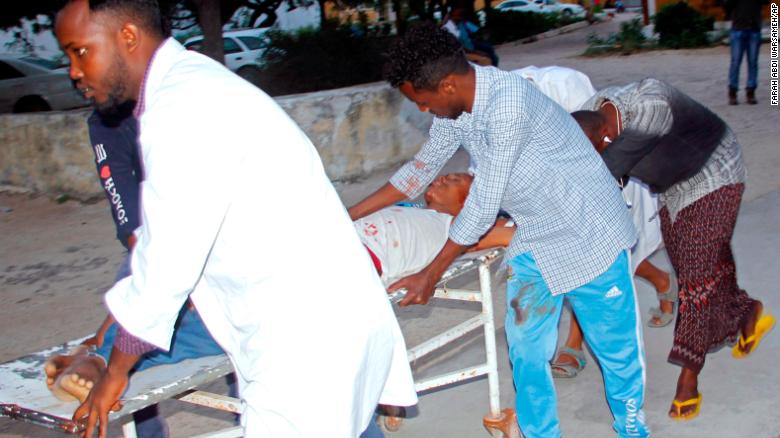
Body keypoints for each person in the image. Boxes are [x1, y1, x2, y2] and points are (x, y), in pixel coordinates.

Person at [54, 1, 416, 437]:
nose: (74, 71)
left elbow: (167, 263)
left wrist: (115, 371)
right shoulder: (199, 82)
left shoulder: (179, 109)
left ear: (127, 36)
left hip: (304, 341)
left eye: (80, 51)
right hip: (330, 320)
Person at [350, 23, 649, 438]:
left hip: (589, 231)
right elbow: (418, 171)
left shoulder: (508, 104)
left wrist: (430, 273)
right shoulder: (458, 109)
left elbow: (484, 203)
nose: (423, 110)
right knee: (526, 350)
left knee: (616, 353)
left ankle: (633, 431)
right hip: (534, 235)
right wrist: (347, 215)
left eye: (422, 101)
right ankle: (540, 433)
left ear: (448, 85)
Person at [578, 78, 776, 421]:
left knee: (696, 281)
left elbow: (593, 181)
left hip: (716, 171)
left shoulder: (650, 109)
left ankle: (689, 375)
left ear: (607, 140)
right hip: (674, 187)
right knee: (696, 264)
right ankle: (747, 312)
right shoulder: (595, 111)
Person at [43, 108, 236, 437]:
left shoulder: (198, 102)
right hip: (163, 251)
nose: (77, 74)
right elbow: (139, 239)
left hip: (228, 257)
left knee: (224, 328)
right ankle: (98, 358)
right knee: (146, 316)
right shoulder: (109, 121)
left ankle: (98, 359)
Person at [726, 0, 768, 105]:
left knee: (753, 62)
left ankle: (751, 91)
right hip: (738, 28)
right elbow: (726, 4)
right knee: (735, 62)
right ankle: (733, 91)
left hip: (753, 29)